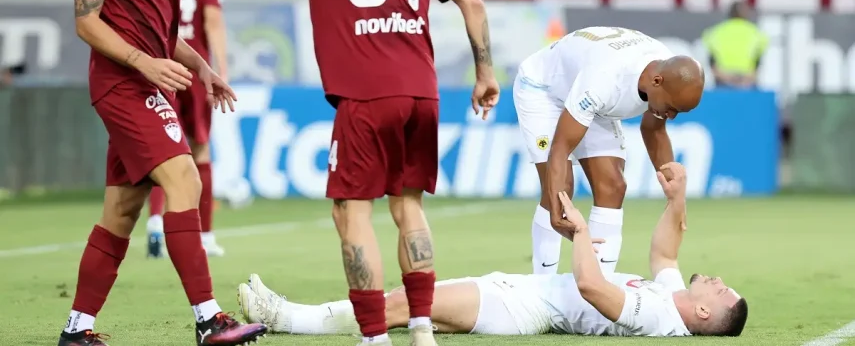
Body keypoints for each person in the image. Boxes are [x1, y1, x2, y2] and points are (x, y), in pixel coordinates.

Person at [150, 0, 500, 346]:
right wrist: (485, 71)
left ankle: (375, 337)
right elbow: (472, 0)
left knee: (350, 212)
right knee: (409, 206)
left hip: (366, 93)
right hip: (422, 91)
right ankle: (422, 328)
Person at [65, 0, 266, 346]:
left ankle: (77, 330)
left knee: (121, 211)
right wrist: (142, 62)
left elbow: (161, 28)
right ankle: (209, 320)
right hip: (123, 85)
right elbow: (87, 23)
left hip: (156, 80)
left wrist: (202, 67)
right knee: (184, 179)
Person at [236, 162, 748, 338]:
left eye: (722, 291)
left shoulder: (658, 317)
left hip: (523, 308)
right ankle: (290, 315)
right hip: (525, 294)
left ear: (705, 313)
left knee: (405, 304)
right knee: (409, 307)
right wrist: (677, 200)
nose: (718, 280)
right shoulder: (670, 296)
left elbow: (592, 286)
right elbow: (665, 255)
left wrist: (580, 233)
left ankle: (284, 317)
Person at [514, 27, 704, 277]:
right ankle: (541, 287)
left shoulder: (665, 74)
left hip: (590, 97)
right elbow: (560, 148)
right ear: (656, 81)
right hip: (544, 90)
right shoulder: (605, 78)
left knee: (613, 186)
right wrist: (556, 215)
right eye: (671, 108)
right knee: (559, 194)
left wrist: (675, 195)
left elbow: (653, 130)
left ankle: (598, 289)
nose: (672, 116)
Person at [147, 0, 229, 259]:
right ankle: (205, 235)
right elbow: (212, 20)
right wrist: (221, 68)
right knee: (200, 150)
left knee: (162, 149)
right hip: (194, 69)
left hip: (160, 62)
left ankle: (155, 223)